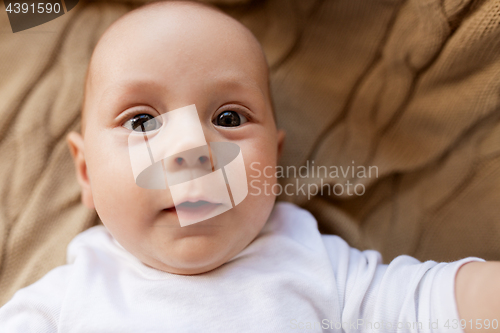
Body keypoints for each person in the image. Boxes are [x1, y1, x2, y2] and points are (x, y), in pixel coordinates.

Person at [0, 1, 497, 332]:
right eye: (142, 122)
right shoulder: (63, 300)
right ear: (86, 173)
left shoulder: (315, 264)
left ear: (273, 165)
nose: (190, 151)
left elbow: (430, 303)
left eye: (229, 117)